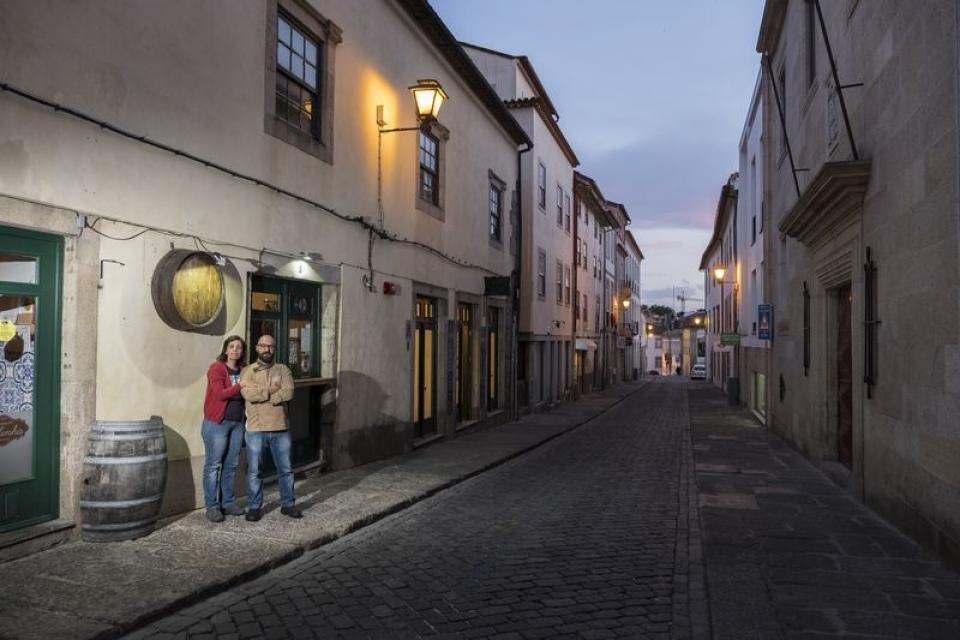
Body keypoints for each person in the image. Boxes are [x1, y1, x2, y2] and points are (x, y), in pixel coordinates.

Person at [240, 334, 302, 520]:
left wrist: (266, 396)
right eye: (263, 345)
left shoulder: (283, 370)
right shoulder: (247, 371)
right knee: (254, 471)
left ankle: (288, 504)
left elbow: (289, 391)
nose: (267, 349)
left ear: (275, 349)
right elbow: (248, 395)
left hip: (280, 427)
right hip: (255, 429)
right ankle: (254, 507)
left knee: (286, 469)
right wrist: (272, 391)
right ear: (257, 348)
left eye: (271, 346)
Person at [201, 335, 248, 523]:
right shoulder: (217, 368)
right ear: (226, 350)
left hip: (237, 423)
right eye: (232, 346)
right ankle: (212, 507)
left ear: (242, 351)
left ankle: (228, 503)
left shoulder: (245, 370)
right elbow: (220, 394)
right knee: (213, 465)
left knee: (231, 465)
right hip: (217, 424)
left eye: (239, 347)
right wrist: (240, 385)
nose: (235, 350)